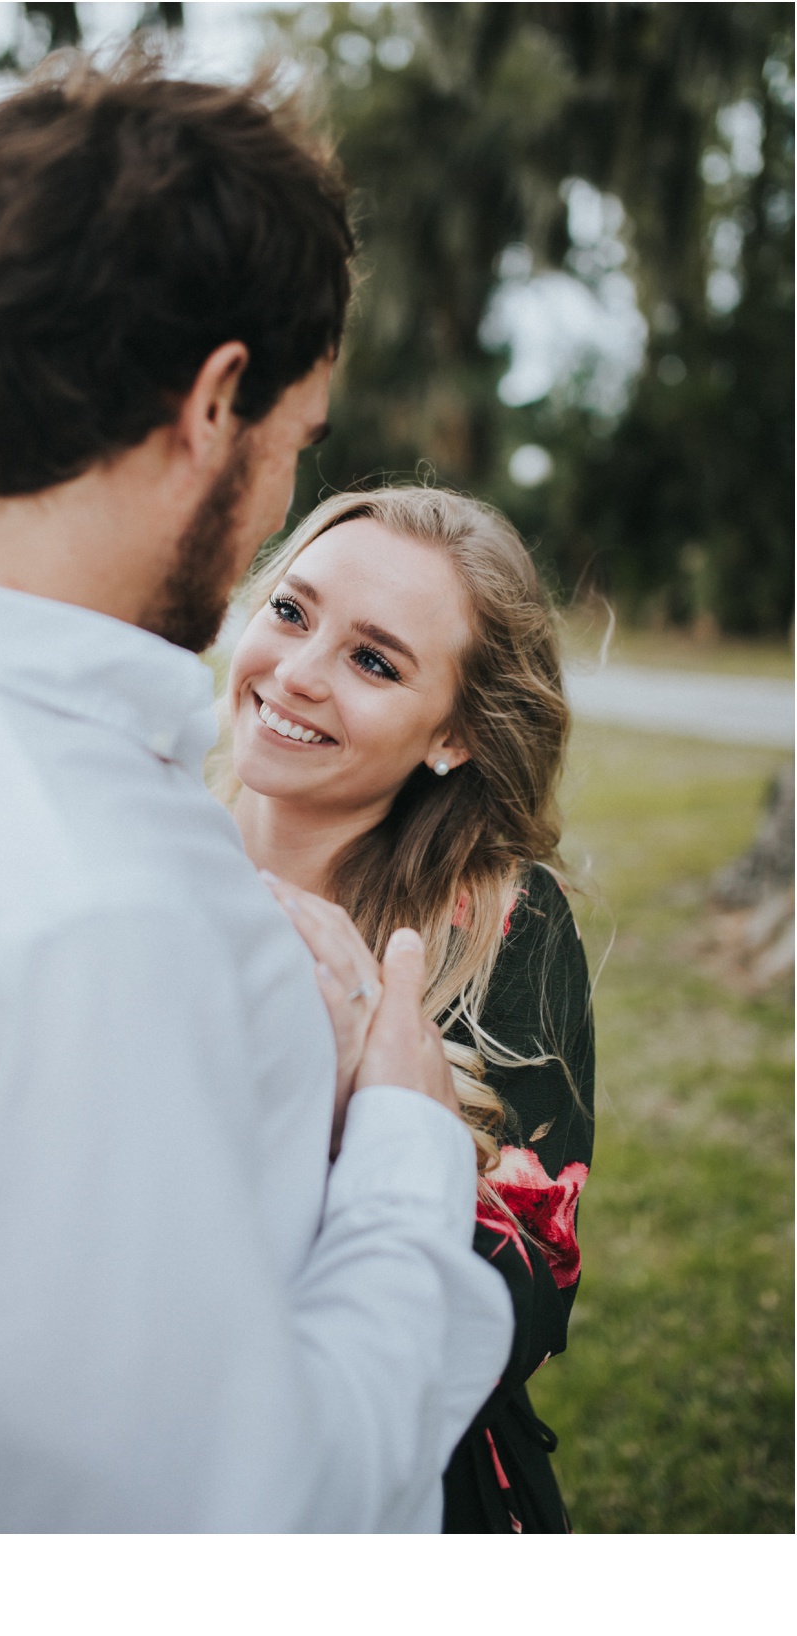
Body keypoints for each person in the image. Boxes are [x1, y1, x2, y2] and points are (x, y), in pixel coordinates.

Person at [0, 49, 515, 1531]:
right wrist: (401, 1144)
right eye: (294, 446)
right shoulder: (85, 919)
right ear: (217, 400)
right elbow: (250, 1522)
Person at [223, 485, 594, 1532]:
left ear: (453, 737)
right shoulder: (146, 857)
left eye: (372, 660)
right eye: (289, 612)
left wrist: (363, 1115)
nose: (293, 673)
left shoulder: (501, 930)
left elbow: (530, 1291)